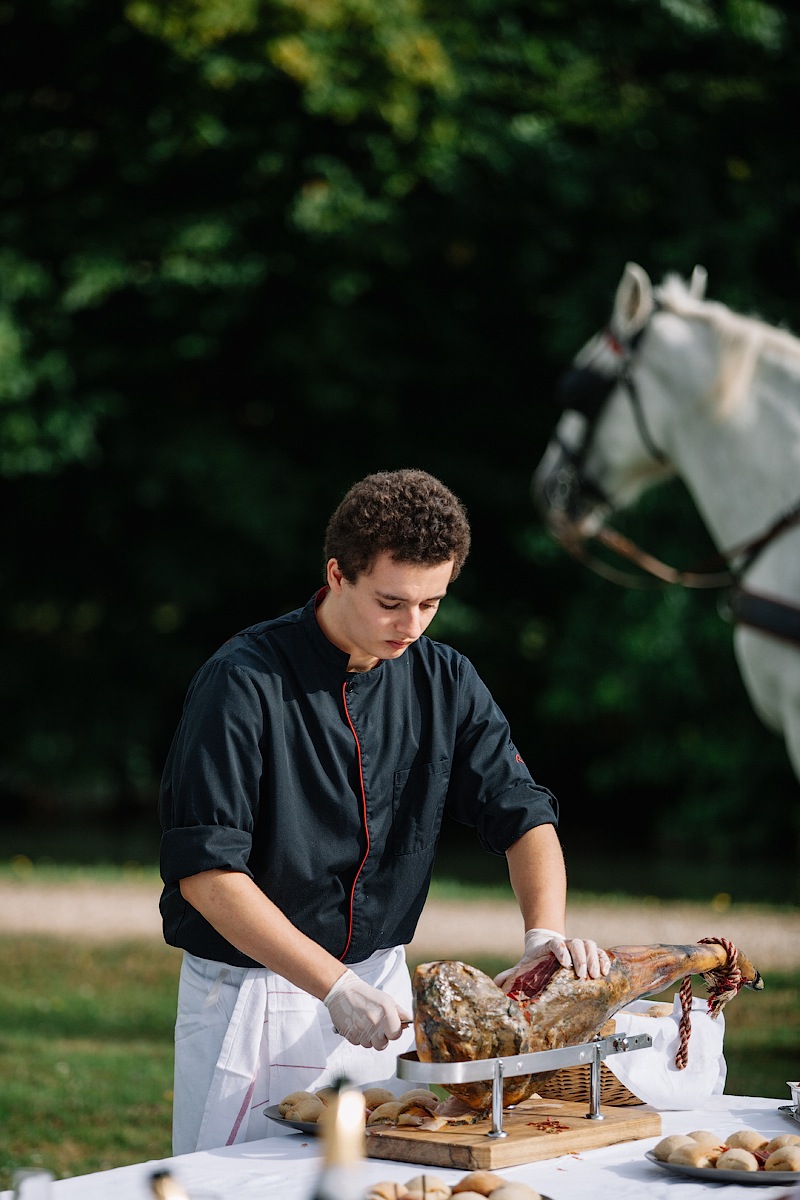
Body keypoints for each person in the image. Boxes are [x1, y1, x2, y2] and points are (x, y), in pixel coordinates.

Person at [158, 467, 609, 1156]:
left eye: (432, 603)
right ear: (337, 574)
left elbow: (522, 812)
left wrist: (542, 934)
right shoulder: (241, 682)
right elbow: (208, 875)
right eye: (391, 602)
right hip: (252, 996)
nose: (411, 626)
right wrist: (331, 985)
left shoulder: (445, 677)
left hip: (383, 992)